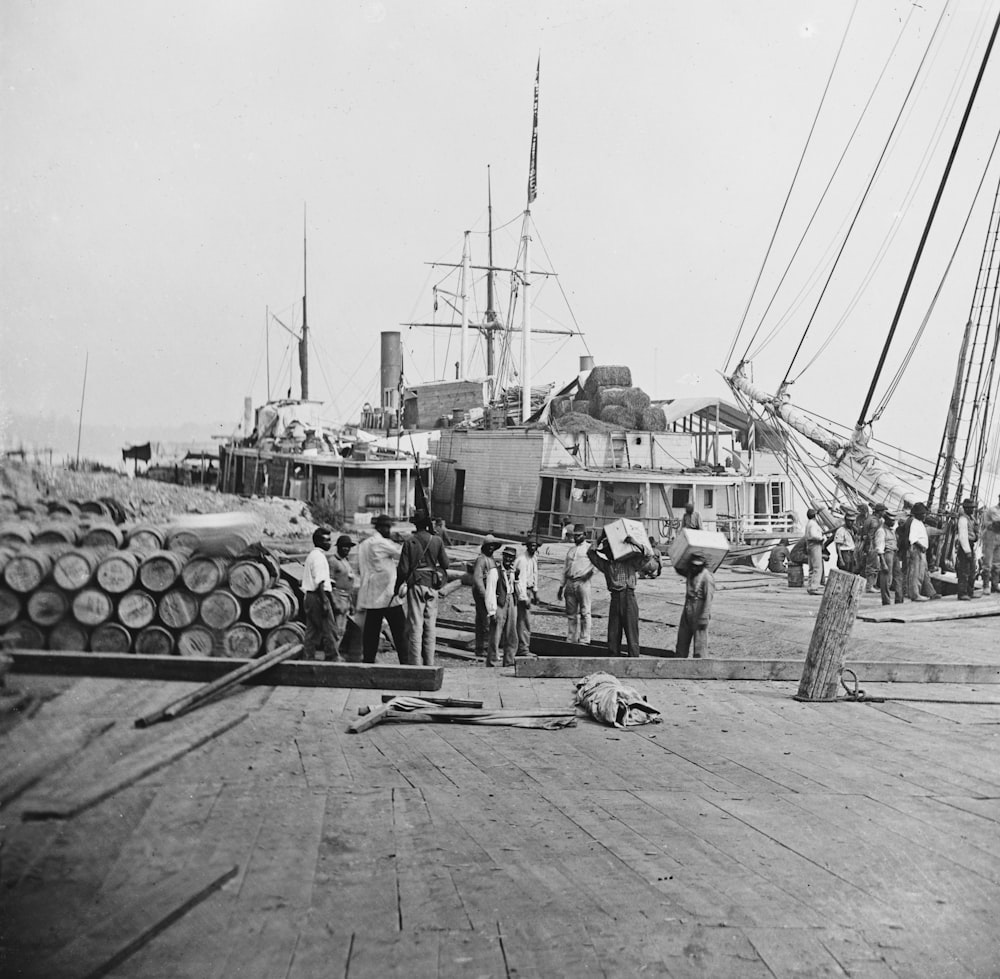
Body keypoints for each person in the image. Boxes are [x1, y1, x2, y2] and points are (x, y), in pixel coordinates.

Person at [587, 528, 655, 657]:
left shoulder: (631, 562)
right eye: (607, 552)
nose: (608, 554)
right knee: (613, 633)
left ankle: (634, 660)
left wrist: (635, 543)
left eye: (610, 551)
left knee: (632, 633)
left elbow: (648, 555)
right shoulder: (607, 565)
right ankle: (613, 659)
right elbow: (590, 553)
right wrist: (600, 537)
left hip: (629, 597)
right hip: (615, 599)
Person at [395, 509, 450, 666]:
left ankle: (415, 665)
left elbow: (403, 570)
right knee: (430, 627)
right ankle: (430, 664)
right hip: (432, 585)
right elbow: (445, 564)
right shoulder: (437, 540)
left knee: (416, 626)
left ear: (415, 525)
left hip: (416, 585)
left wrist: (397, 586)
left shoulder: (409, 542)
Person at [356, 514, 408, 663]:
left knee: (371, 632)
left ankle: (368, 661)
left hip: (371, 596)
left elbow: (359, 569)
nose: (389, 530)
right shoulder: (381, 542)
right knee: (400, 631)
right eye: (387, 527)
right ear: (380, 528)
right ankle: (406, 663)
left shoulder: (364, 545)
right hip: (387, 595)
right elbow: (402, 552)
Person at [301, 527, 339, 661]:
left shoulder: (312, 555)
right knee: (329, 629)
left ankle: (308, 657)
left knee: (311, 631)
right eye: (327, 540)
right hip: (318, 596)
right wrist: (324, 601)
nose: (329, 543)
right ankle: (332, 657)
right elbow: (319, 582)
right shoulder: (319, 557)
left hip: (309, 596)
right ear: (319, 541)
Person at [558, 525, 595, 643]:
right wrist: (561, 586)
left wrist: (589, 574)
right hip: (570, 582)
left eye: (579, 535)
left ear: (585, 535)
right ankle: (571, 638)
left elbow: (598, 564)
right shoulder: (571, 550)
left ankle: (584, 639)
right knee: (571, 613)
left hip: (583, 582)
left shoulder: (590, 549)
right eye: (575, 535)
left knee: (585, 612)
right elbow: (565, 569)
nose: (576, 538)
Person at [676, 552, 715, 658]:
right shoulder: (690, 573)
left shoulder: (707, 577)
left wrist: (704, 617)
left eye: (697, 566)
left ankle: (700, 671)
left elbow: (708, 599)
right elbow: (678, 568)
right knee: (682, 642)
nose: (694, 568)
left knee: (700, 646)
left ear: (702, 565)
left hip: (699, 609)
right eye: (692, 565)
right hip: (688, 608)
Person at [485, 545, 518, 667]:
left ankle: (509, 661)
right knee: (496, 634)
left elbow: (516, 588)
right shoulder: (495, 572)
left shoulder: (514, 572)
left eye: (511, 557)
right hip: (499, 602)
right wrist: (492, 610)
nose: (509, 559)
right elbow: (490, 591)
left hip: (510, 601)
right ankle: (492, 661)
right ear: (503, 557)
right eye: (507, 556)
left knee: (511, 633)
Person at [471, 534, 502, 657]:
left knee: (486, 619)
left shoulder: (492, 559)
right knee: (484, 620)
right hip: (482, 592)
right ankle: (482, 647)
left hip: (490, 591)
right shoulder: (481, 559)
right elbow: (477, 578)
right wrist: (484, 595)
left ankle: (484, 646)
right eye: (488, 546)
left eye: (492, 546)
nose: (491, 548)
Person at [326, 534, 356, 658]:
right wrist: (334, 601)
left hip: (346, 598)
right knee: (336, 629)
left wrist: (351, 603)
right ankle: (332, 655)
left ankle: (335, 653)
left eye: (348, 547)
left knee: (342, 629)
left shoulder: (345, 561)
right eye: (344, 547)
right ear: (338, 547)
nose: (346, 549)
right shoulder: (333, 561)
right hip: (338, 596)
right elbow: (329, 583)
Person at [906, 502, 939, 602]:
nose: (925, 515)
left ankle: (931, 592)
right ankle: (915, 594)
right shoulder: (915, 523)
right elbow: (912, 539)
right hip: (918, 550)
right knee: (916, 573)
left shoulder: (920, 523)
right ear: (919, 514)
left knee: (924, 572)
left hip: (922, 551)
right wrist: (921, 547)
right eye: (924, 514)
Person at [514, 535, 540, 657]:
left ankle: (523, 646)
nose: (533, 548)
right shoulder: (522, 560)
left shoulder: (533, 558)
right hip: (521, 591)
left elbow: (535, 574)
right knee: (523, 621)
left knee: (525, 621)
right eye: (531, 545)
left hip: (528, 590)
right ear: (527, 546)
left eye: (535, 546)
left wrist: (535, 592)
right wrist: (524, 598)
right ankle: (523, 649)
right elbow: (520, 581)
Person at [955, 498, 979, 601]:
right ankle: (962, 593)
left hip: (971, 545)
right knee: (964, 571)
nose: (972, 510)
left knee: (972, 570)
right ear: (966, 509)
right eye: (970, 508)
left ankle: (970, 591)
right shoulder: (963, 519)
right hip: (965, 547)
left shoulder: (971, 519)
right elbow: (963, 537)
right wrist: (967, 551)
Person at [880, 511, 903, 605]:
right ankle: (886, 601)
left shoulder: (892, 530)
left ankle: (899, 600)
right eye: (891, 521)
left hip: (894, 553)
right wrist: (883, 563)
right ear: (886, 520)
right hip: (887, 553)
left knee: (898, 576)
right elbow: (879, 548)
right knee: (887, 578)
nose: (893, 522)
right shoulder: (881, 531)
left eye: (894, 521)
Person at [982, 493, 1000, 595]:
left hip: (999, 537)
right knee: (987, 563)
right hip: (991, 536)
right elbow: (994, 523)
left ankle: (995, 585)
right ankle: (985, 585)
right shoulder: (992, 510)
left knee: (997, 563)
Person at [804, 508, 825, 595]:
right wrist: (821, 538)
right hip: (815, 545)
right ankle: (814, 587)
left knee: (812, 567)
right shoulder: (813, 524)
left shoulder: (808, 524)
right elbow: (813, 535)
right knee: (817, 567)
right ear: (815, 516)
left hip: (810, 545)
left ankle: (810, 585)